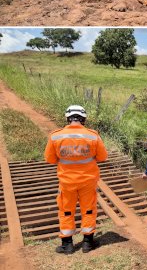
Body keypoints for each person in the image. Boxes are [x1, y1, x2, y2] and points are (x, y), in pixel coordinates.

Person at [44, 105, 108, 254]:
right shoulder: (92, 135)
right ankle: (88, 243)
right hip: (88, 181)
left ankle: (67, 245)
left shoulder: (55, 136)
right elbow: (103, 157)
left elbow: (50, 159)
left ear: (68, 118)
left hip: (66, 182)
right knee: (89, 209)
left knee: (66, 210)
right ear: (83, 119)